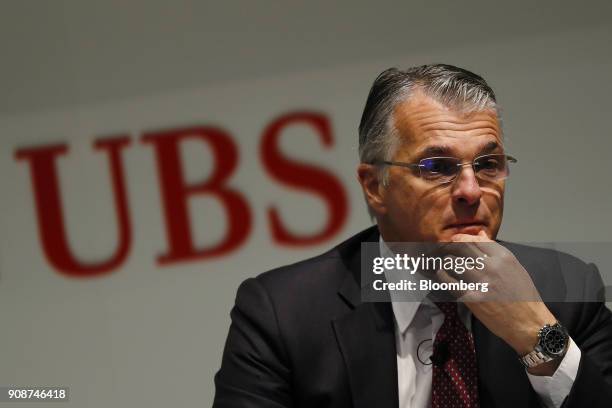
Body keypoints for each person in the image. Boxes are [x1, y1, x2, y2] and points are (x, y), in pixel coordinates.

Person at [213, 64, 612, 407]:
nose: (471, 191)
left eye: (488, 164)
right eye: (437, 167)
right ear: (374, 186)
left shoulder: (568, 290)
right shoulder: (284, 315)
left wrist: (537, 336)